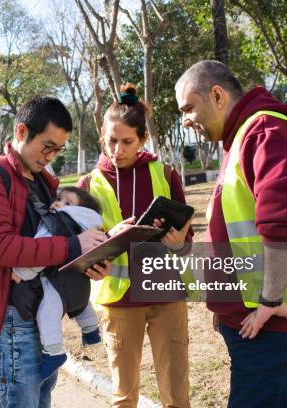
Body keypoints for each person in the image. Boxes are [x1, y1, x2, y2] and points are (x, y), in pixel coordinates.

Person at [174, 60, 287, 408]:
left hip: (282, 322)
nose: (185, 119)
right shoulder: (241, 137)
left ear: (218, 95)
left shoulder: (266, 130)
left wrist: (269, 299)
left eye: (188, 108)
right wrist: (225, 305)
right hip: (264, 320)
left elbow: (281, 222)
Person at [0, 96, 112, 408]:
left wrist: (88, 262)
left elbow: (57, 246)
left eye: (58, 150)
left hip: (44, 316)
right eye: (47, 146)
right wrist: (73, 246)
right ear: (21, 132)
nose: (51, 156)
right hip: (13, 318)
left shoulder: (45, 184)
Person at [78, 83, 193, 408]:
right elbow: (80, 248)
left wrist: (178, 244)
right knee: (123, 397)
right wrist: (108, 239)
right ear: (103, 137)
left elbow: (187, 240)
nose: (117, 149)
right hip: (118, 302)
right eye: (111, 141)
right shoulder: (88, 185)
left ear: (143, 139)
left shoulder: (166, 175)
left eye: (127, 142)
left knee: (176, 397)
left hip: (167, 296)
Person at [12, 187, 103, 380]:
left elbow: (40, 252)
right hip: (79, 283)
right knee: (84, 304)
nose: (58, 203)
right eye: (59, 199)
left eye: (67, 203)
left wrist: (21, 272)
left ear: (80, 210)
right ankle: (91, 330)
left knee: (47, 313)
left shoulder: (54, 222)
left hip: (56, 284)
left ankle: (54, 353)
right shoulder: (91, 228)